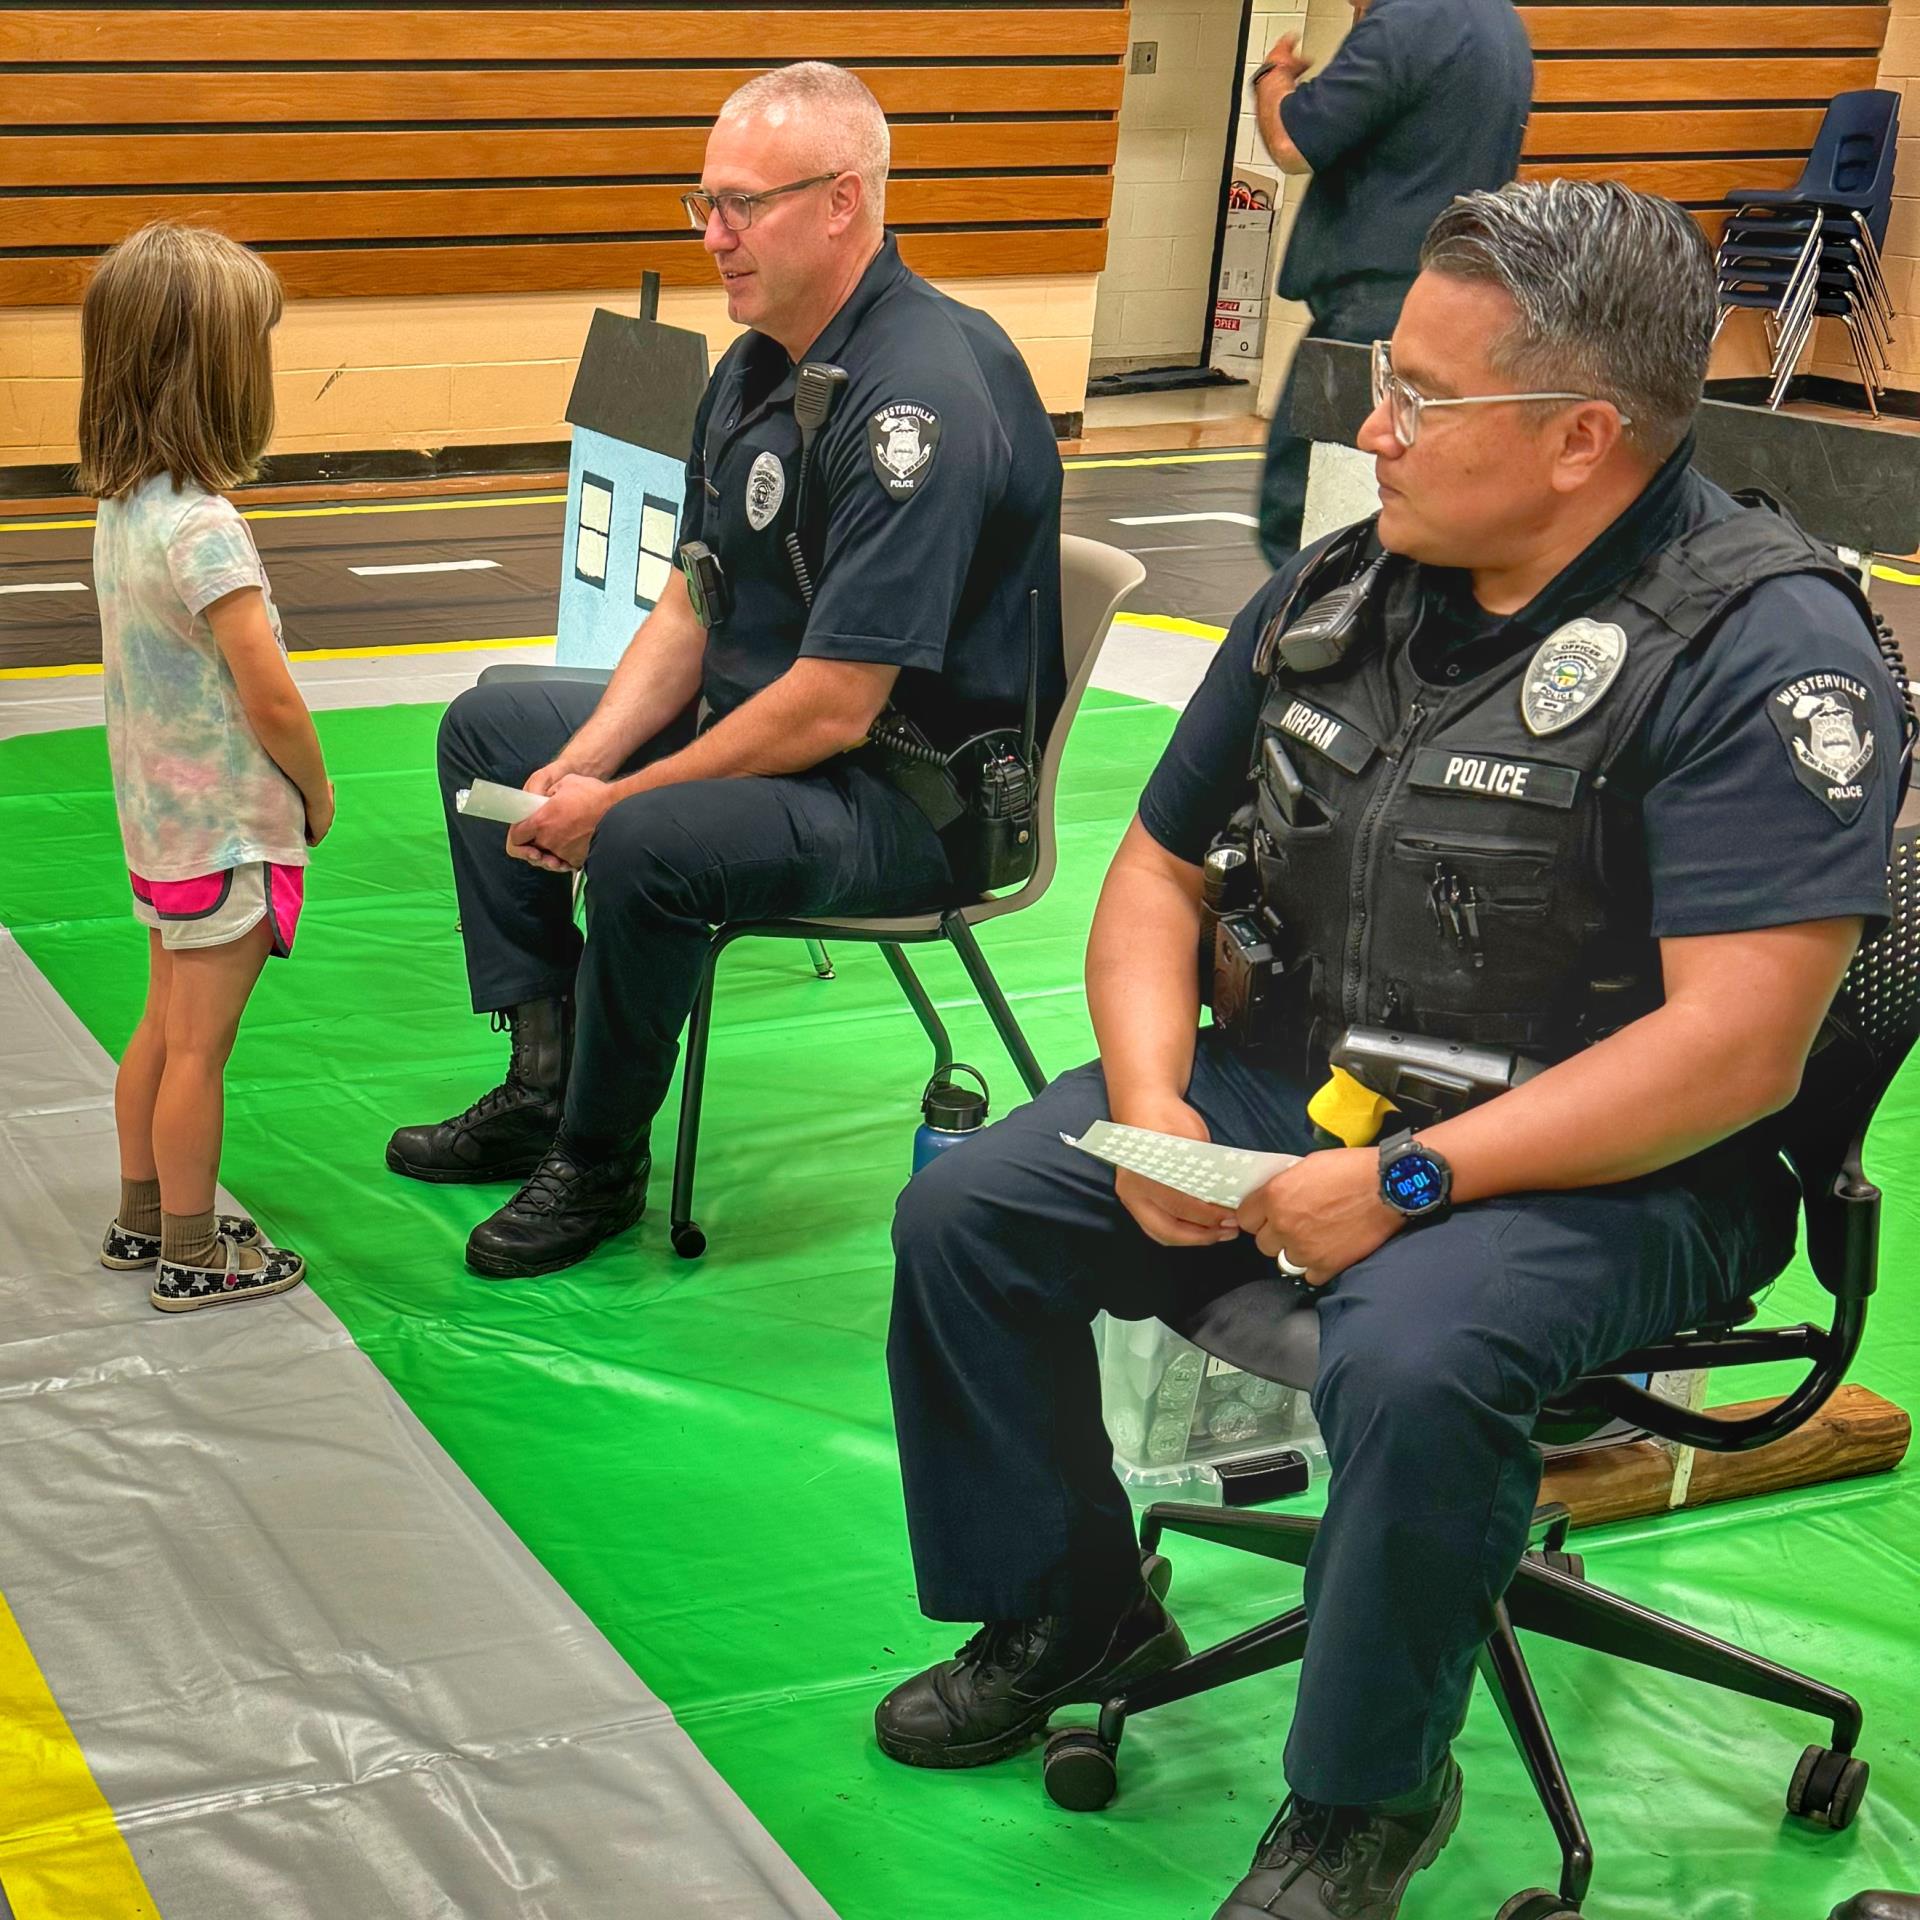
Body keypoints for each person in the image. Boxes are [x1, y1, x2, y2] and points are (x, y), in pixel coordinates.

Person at [876, 182, 1907, 1920]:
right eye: (1381, 376)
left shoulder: (1762, 649)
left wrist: (1414, 1180)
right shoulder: (1345, 585)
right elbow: (1153, 870)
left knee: (1420, 1353)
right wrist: (1148, 1111)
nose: (1373, 427)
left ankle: (1366, 1796)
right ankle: (1075, 1597)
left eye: (1422, 397)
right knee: (974, 1213)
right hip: (1314, 1079)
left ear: (1584, 437)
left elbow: (1738, 1052)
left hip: (1613, 1158)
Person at [386, 62, 1064, 1280]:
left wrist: (619, 803)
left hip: (910, 803)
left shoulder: (922, 400)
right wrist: (584, 759)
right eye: (701, 202)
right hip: (783, 751)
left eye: (740, 205)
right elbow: (696, 598)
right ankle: (546, 1080)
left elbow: (837, 704)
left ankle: (598, 1159)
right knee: (491, 732)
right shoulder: (757, 362)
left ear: (844, 201)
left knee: (651, 843)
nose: (713, 235)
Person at [80, 222, 325, 1313]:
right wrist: (315, 793)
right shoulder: (207, 529)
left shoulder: (123, 509)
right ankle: (191, 1248)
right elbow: (266, 692)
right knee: (200, 1054)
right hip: (226, 832)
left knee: (160, 1026)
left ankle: (141, 1216)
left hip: (158, 831)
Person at [1250, 0, 1532, 566]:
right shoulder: (1499, 22)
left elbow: (1292, 142)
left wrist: (1272, 79)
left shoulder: (1406, 22)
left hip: (1377, 311)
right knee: (1411, 499)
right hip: (1456, 297)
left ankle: (1318, 639)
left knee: (1305, 507)